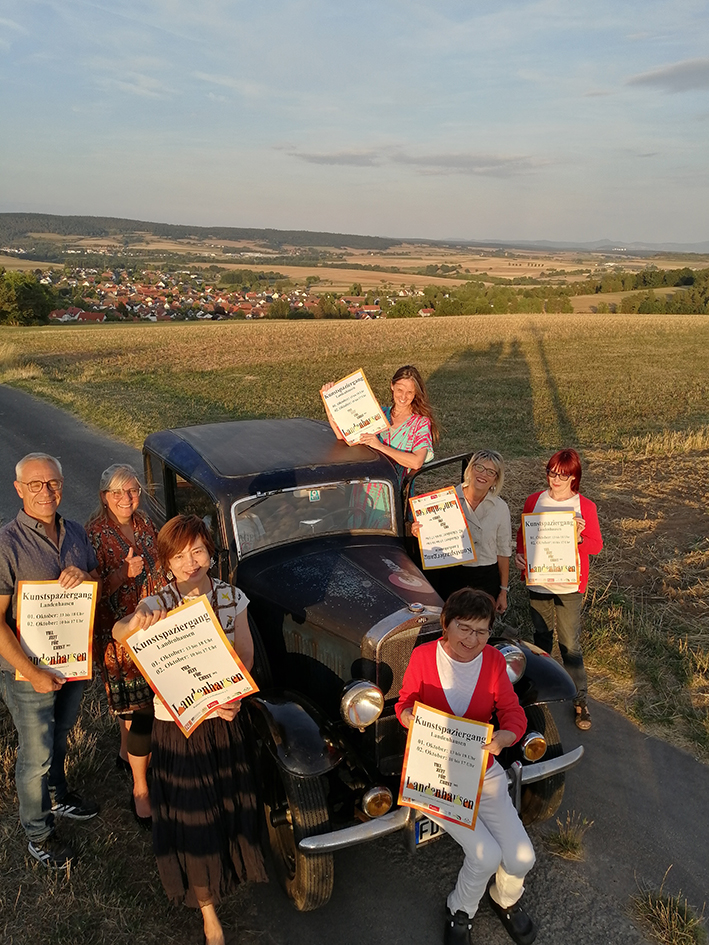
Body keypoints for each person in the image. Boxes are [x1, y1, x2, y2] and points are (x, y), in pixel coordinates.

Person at [113, 515, 266, 945]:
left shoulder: (232, 597)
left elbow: (246, 655)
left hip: (223, 721)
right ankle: (208, 911)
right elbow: (120, 632)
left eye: (197, 551)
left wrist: (235, 697)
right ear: (166, 563)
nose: (190, 562)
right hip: (177, 727)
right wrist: (136, 621)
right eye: (179, 556)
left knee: (225, 806)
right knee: (193, 812)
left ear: (210, 553)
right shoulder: (157, 602)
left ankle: (226, 873)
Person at [396, 588, 536, 945]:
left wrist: (506, 736)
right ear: (446, 624)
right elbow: (406, 701)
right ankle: (460, 910)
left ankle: (505, 898)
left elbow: (512, 710)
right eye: (464, 628)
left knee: (521, 856)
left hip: (482, 770)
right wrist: (408, 715)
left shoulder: (492, 661)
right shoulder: (424, 656)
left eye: (482, 631)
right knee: (485, 854)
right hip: (436, 775)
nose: (473, 640)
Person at [0, 452, 101, 869]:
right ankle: (38, 833)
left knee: (60, 735)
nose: (46, 491)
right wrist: (32, 672)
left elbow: (95, 582)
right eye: (35, 484)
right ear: (19, 489)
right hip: (28, 673)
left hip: (71, 662)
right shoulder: (7, 544)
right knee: (36, 754)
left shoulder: (75, 531)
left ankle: (58, 796)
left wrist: (85, 576)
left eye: (53, 483)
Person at [86, 463, 164, 824]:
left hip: (152, 627)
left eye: (132, 490)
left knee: (133, 709)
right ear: (104, 497)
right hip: (118, 633)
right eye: (117, 492)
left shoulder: (146, 523)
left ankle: (124, 754)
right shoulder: (94, 535)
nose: (126, 498)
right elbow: (89, 593)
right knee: (139, 710)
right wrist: (122, 573)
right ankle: (141, 788)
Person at [515, 449, 602, 730]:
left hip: (569, 585)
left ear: (574, 477)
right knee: (540, 639)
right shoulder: (534, 500)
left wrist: (579, 538)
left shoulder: (584, 506)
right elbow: (523, 534)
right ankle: (539, 695)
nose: (555, 479)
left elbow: (596, 545)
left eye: (562, 475)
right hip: (539, 581)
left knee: (569, 644)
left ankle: (580, 699)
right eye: (552, 473)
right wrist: (520, 556)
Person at [416, 450, 511, 613]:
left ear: (496, 479)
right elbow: (433, 534)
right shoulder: (446, 500)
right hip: (451, 573)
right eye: (479, 467)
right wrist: (421, 531)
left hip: (485, 577)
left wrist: (503, 591)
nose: (483, 474)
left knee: (479, 623)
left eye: (490, 472)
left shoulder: (501, 508)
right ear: (470, 469)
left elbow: (503, 551)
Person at [322, 364, 439, 483]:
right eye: (400, 390)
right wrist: (329, 400)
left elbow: (416, 462)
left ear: (416, 393)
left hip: (394, 489)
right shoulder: (377, 413)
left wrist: (380, 446)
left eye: (409, 392)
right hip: (365, 486)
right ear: (392, 386)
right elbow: (343, 436)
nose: (403, 396)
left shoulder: (421, 423)